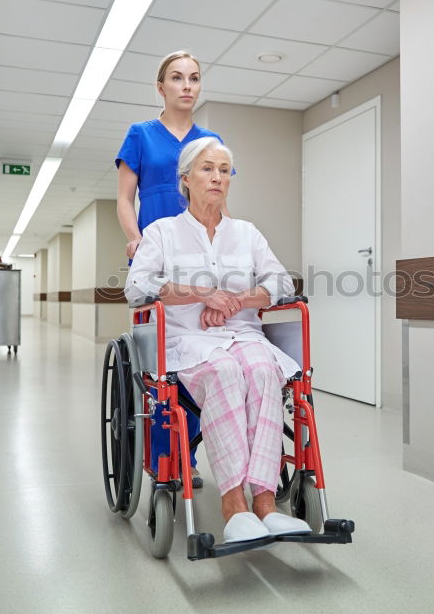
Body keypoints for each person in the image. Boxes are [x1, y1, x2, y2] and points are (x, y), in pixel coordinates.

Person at [125, 137, 311, 543]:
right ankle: (233, 504)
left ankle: (264, 503)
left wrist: (236, 301)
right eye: (208, 169)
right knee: (225, 373)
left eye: (224, 170)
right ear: (186, 178)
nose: (217, 177)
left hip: (243, 333)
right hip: (186, 340)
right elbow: (137, 286)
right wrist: (201, 293)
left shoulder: (247, 234)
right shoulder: (162, 232)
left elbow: (280, 281)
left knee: (263, 371)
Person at [116, 51, 226, 488]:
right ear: (160, 87)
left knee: (199, 349)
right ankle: (166, 455)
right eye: (177, 78)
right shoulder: (141, 134)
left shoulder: (210, 139)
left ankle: (191, 454)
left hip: (198, 256)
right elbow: (126, 198)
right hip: (157, 257)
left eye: (194, 78)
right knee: (161, 363)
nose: (186, 85)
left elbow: (217, 198)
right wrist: (137, 238)